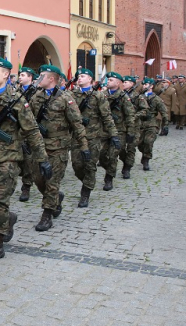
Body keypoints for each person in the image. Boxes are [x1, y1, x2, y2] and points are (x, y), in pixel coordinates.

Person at [0, 57, 51, 263]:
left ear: (6, 74)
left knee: (0, 200)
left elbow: (31, 131)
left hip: (9, 158)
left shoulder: (16, 99)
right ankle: (9, 219)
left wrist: (42, 159)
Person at [30, 65, 88, 230]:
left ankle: (47, 215)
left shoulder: (65, 98)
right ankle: (55, 198)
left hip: (59, 148)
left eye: (42, 76)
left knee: (52, 181)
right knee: (38, 179)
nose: (38, 79)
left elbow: (77, 123)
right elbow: (30, 121)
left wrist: (84, 146)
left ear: (51, 79)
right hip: (40, 147)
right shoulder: (36, 97)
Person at [70, 69, 118, 207]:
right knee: (77, 165)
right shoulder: (72, 94)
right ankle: (87, 182)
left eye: (83, 76)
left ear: (90, 79)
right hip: (77, 137)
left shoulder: (98, 96)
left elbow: (106, 116)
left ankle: (85, 193)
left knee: (90, 165)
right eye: (78, 76)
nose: (79, 78)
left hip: (93, 137)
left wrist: (114, 134)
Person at [100, 72, 135, 191]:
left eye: (111, 80)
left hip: (119, 130)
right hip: (104, 130)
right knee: (101, 155)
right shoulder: (101, 95)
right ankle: (113, 167)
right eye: (108, 79)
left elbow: (130, 115)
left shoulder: (124, 97)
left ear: (118, 83)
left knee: (113, 155)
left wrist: (130, 132)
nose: (108, 81)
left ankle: (109, 178)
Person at [17, 67, 38, 202]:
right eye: (19, 75)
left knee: (28, 161)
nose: (19, 77)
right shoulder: (15, 92)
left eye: (23, 75)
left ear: (30, 78)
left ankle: (26, 186)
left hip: (30, 131)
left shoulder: (37, 92)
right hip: (17, 131)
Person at [121, 76, 148, 178]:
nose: (123, 84)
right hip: (122, 126)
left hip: (134, 126)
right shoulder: (120, 95)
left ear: (132, 84)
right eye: (123, 82)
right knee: (120, 148)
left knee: (131, 148)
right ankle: (125, 161)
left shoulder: (138, 96)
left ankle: (127, 168)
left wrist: (134, 116)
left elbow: (144, 110)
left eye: (126, 82)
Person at [138, 78, 168, 171]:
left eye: (146, 84)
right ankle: (144, 153)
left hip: (151, 123)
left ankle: (146, 159)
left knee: (148, 141)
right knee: (140, 143)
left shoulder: (156, 99)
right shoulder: (139, 97)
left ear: (151, 86)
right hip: (140, 123)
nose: (144, 86)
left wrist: (165, 125)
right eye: (143, 84)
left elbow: (164, 112)